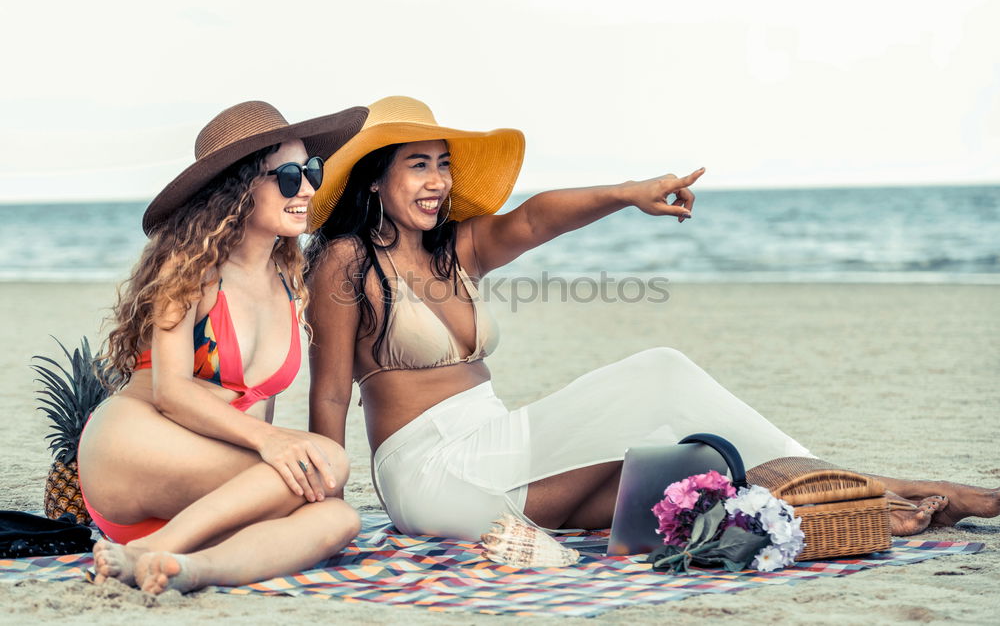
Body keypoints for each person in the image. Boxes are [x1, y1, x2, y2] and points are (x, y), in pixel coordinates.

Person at [304, 96, 999, 542]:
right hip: (433, 473)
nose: (438, 181)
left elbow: (538, 215)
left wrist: (628, 192)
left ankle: (873, 507)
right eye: (419, 165)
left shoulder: (460, 249)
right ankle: (875, 483)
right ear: (374, 179)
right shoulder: (344, 260)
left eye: (444, 166)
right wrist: (326, 501)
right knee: (660, 373)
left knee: (691, 468)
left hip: (498, 459)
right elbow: (332, 390)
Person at [77, 100, 368, 594]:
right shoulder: (191, 269)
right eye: (290, 175)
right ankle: (154, 546)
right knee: (328, 462)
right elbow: (170, 391)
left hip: (195, 493)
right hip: (132, 447)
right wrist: (273, 445)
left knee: (338, 517)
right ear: (238, 187)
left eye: (312, 170)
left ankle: (183, 568)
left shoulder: (286, 278)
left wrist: (277, 454)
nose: (309, 188)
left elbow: (260, 417)